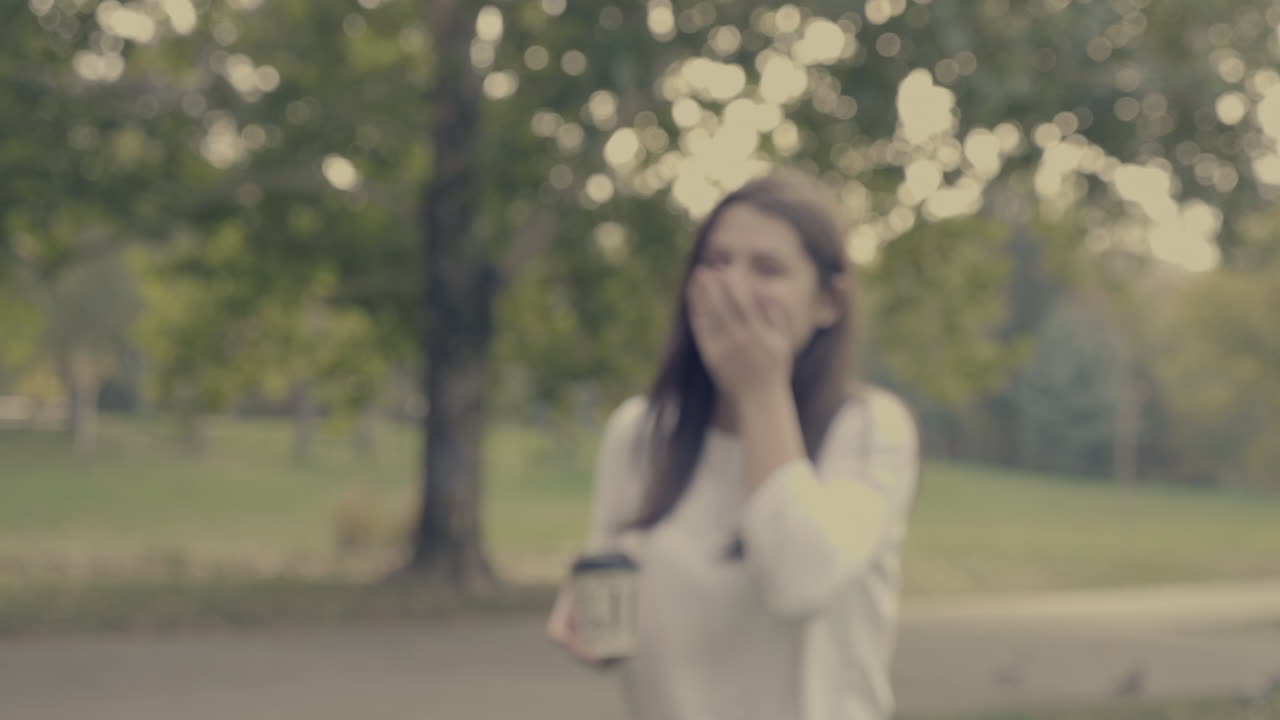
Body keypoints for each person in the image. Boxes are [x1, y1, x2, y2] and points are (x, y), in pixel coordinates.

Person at [546, 167, 920, 720]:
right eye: (717, 262)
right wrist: (590, 619)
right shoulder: (640, 433)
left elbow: (799, 579)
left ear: (828, 303)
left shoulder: (869, 429)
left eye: (767, 269)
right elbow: (612, 613)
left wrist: (760, 391)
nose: (733, 289)